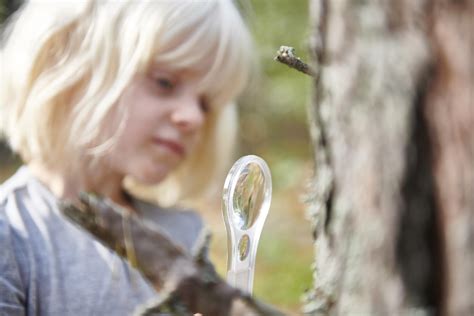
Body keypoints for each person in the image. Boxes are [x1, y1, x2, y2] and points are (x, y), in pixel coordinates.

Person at [0, 0, 253, 314]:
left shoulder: (184, 234)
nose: (194, 117)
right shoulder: (12, 233)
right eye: (165, 82)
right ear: (68, 62)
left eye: (205, 103)